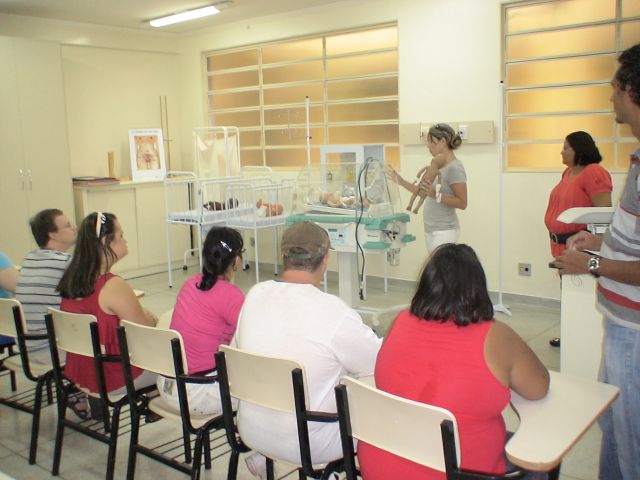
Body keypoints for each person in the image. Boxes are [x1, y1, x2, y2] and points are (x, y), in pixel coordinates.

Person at [358, 243, 549, 480]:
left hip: (381, 468)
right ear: (477, 288)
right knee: (541, 458)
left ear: (426, 285)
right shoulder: (495, 336)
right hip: (457, 473)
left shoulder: (400, 321)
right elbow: (538, 388)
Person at [233, 221, 381, 478]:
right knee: (370, 382)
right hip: (311, 443)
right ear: (326, 259)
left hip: (251, 428)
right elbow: (379, 361)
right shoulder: (334, 312)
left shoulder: (255, 294)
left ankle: (271, 457)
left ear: (283, 256)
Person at [554, 43, 640, 480]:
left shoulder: (597, 172)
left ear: (631, 91)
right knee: (613, 426)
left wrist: (593, 266)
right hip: (621, 320)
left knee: (629, 437)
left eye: (613, 88)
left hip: (634, 331)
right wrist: (600, 241)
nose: (610, 98)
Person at [57, 212, 157, 417]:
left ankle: (152, 400)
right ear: (105, 241)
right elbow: (145, 328)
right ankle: (156, 401)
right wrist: (150, 318)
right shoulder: (111, 285)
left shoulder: (72, 278)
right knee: (176, 359)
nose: (125, 241)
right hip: (112, 376)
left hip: (80, 372)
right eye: (121, 235)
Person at [157, 226, 244, 415]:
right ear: (236, 260)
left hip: (168, 386)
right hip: (198, 394)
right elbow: (253, 336)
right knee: (261, 386)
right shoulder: (231, 295)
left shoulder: (190, 283)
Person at [544, 132, 612, 347]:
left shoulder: (594, 172)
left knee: (579, 295)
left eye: (566, 147)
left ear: (579, 149)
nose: (561, 151)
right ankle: (570, 335)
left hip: (581, 246)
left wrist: (595, 242)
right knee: (568, 293)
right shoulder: (568, 173)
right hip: (560, 244)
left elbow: (603, 212)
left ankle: (579, 339)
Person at [387, 123, 467, 252]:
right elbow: (423, 192)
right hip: (432, 229)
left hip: (444, 230)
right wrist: (400, 181)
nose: (428, 145)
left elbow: (462, 203)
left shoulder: (455, 167)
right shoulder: (438, 166)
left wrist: (435, 195)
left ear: (443, 141)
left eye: (431, 141)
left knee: (439, 265)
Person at [15, 209, 77, 361]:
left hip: (26, 348)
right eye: (68, 225)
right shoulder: (65, 262)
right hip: (52, 348)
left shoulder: (30, 258)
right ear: (53, 235)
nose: (74, 227)